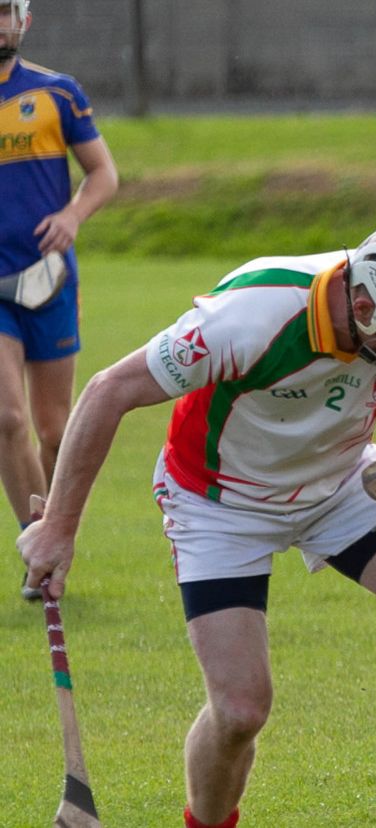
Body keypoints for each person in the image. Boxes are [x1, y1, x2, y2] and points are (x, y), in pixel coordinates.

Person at [18, 217, 376, 828]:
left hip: (344, 483)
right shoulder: (250, 316)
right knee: (240, 711)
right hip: (220, 504)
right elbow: (107, 391)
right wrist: (60, 529)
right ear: (363, 304)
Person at [1, 0, 118, 600]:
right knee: (6, 418)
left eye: (4, 12)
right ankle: (33, 542)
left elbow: (103, 174)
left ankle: (50, 539)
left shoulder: (58, 94)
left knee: (52, 428)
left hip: (48, 282)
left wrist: (73, 216)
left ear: (25, 19)